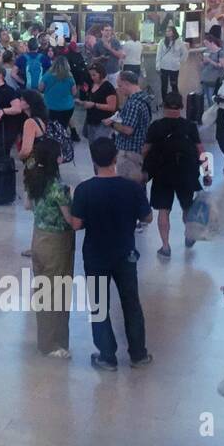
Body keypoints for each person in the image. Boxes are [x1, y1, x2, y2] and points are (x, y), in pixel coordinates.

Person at [67, 137, 154, 371]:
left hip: (96, 255)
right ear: (115, 158)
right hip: (125, 253)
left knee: (98, 305)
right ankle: (138, 354)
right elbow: (147, 217)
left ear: (93, 160)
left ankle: (107, 355)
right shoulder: (132, 188)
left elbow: (76, 225)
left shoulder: (85, 190)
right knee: (131, 302)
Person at [24, 138, 74, 358]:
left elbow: (27, 205)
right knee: (58, 292)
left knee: (43, 291)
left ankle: (44, 340)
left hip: (38, 238)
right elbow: (71, 221)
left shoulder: (33, 178)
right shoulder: (58, 188)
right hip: (57, 243)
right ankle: (54, 343)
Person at [143, 93, 208, 258]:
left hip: (162, 173)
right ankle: (188, 235)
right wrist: (207, 172)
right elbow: (201, 151)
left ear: (164, 107)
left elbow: (145, 150)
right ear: (181, 107)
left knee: (163, 210)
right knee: (187, 206)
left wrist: (143, 170)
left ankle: (165, 247)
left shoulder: (156, 126)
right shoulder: (190, 126)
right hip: (186, 172)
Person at [109, 69, 153, 183]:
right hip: (138, 150)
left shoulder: (134, 104)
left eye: (120, 85)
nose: (118, 88)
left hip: (129, 153)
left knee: (128, 186)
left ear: (127, 83)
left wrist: (112, 123)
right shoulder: (143, 99)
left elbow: (128, 130)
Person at [155, 25, 187, 101]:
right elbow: (158, 54)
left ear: (173, 32)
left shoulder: (179, 42)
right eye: (166, 31)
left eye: (169, 31)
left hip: (174, 67)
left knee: (174, 85)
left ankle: (175, 102)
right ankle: (164, 101)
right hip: (164, 67)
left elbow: (185, 53)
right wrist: (157, 65)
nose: (167, 33)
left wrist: (180, 61)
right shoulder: (162, 41)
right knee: (164, 86)